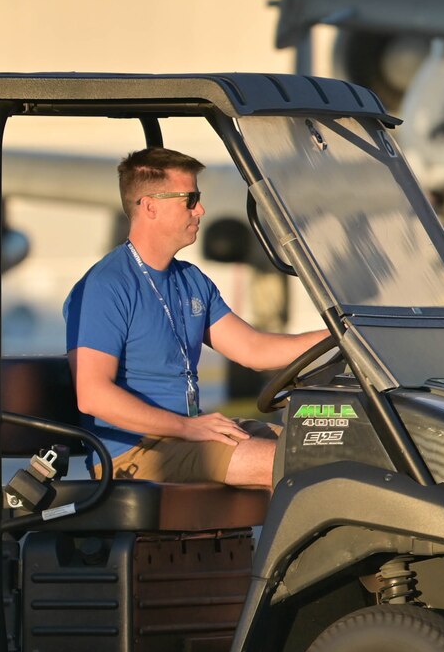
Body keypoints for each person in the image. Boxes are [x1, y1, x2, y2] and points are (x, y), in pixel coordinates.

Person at [66, 148, 329, 488]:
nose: (200, 209)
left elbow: (254, 348)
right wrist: (188, 428)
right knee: (301, 466)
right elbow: (92, 394)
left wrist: (341, 336)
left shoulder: (191, 280)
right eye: (190, 199)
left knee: (329, 446)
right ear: (150, 206)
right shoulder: (106, 286)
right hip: (135, 452)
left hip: (189, 433)